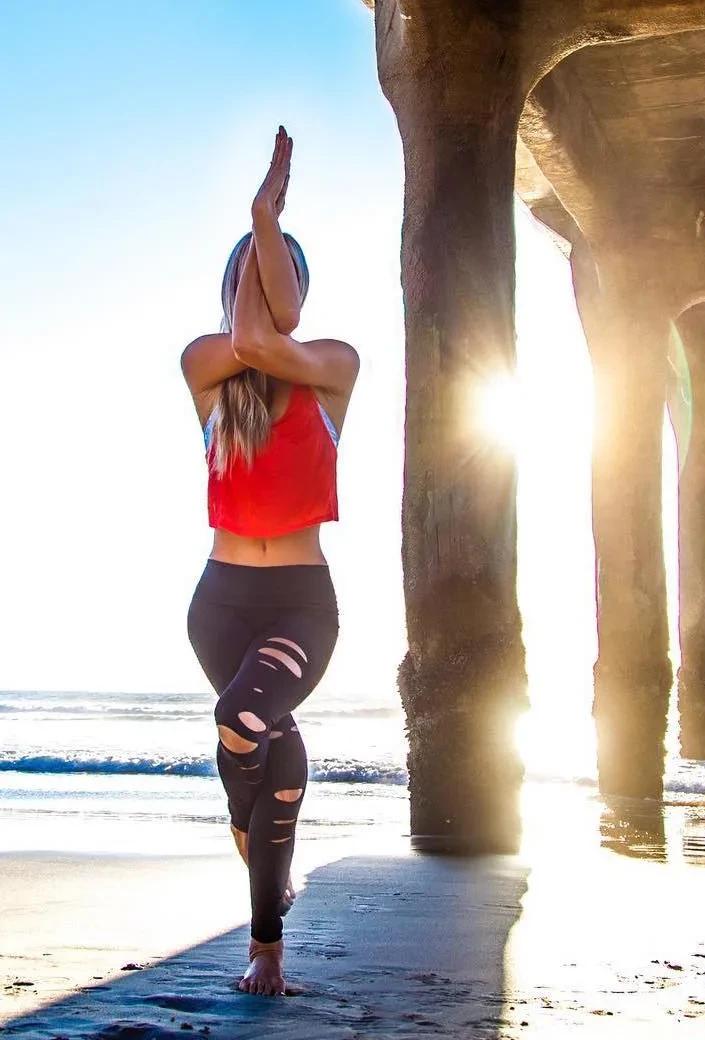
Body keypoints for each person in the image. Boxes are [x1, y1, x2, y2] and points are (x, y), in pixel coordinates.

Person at [180, 126, 360, 996]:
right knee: (271, 755)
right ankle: (268, 949)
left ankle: (257, 887)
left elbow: (276, 332)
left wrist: (264, 217)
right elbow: (251, 339)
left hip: (299, 601)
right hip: (219, 600)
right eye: (259, 262)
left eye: (283, 265)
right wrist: (262, 226)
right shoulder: (206, 369)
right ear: (236, 283)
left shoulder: (331, 370)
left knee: (244, 725)